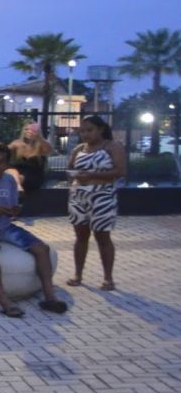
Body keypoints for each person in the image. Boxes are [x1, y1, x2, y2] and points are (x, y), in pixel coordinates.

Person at [0, 143, 67, 318]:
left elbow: (13, 207)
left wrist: (14, 211)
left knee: (42, 249)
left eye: (1, 161)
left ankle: (50, 297)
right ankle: (4, 300)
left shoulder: (9, 180)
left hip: (4, 225)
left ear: (6, 164)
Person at [66, 115, 127, 291]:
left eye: (89, 130)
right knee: (80, 237)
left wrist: (93, 175)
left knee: (102, 237)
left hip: (102, 196)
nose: (85, 134)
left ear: (101, 129)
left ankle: (108, 278)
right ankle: (78, 274)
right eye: (82, 131)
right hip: (79, 197)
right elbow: (70, 169)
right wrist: (74, 179)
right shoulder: (79, 149)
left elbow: (121, 171)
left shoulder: (112, 147)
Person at [6, 122, 54, 194]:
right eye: (26, 129)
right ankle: (18, 188)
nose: (29, 131)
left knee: (19, 177)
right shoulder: (17, 143)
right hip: (17, 174)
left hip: (33, 176)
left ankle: (17, 188)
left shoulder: (41, 145)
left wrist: (39, 138)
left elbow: (50, 150)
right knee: (11, 171)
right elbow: (3, 151)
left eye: (32, 130)